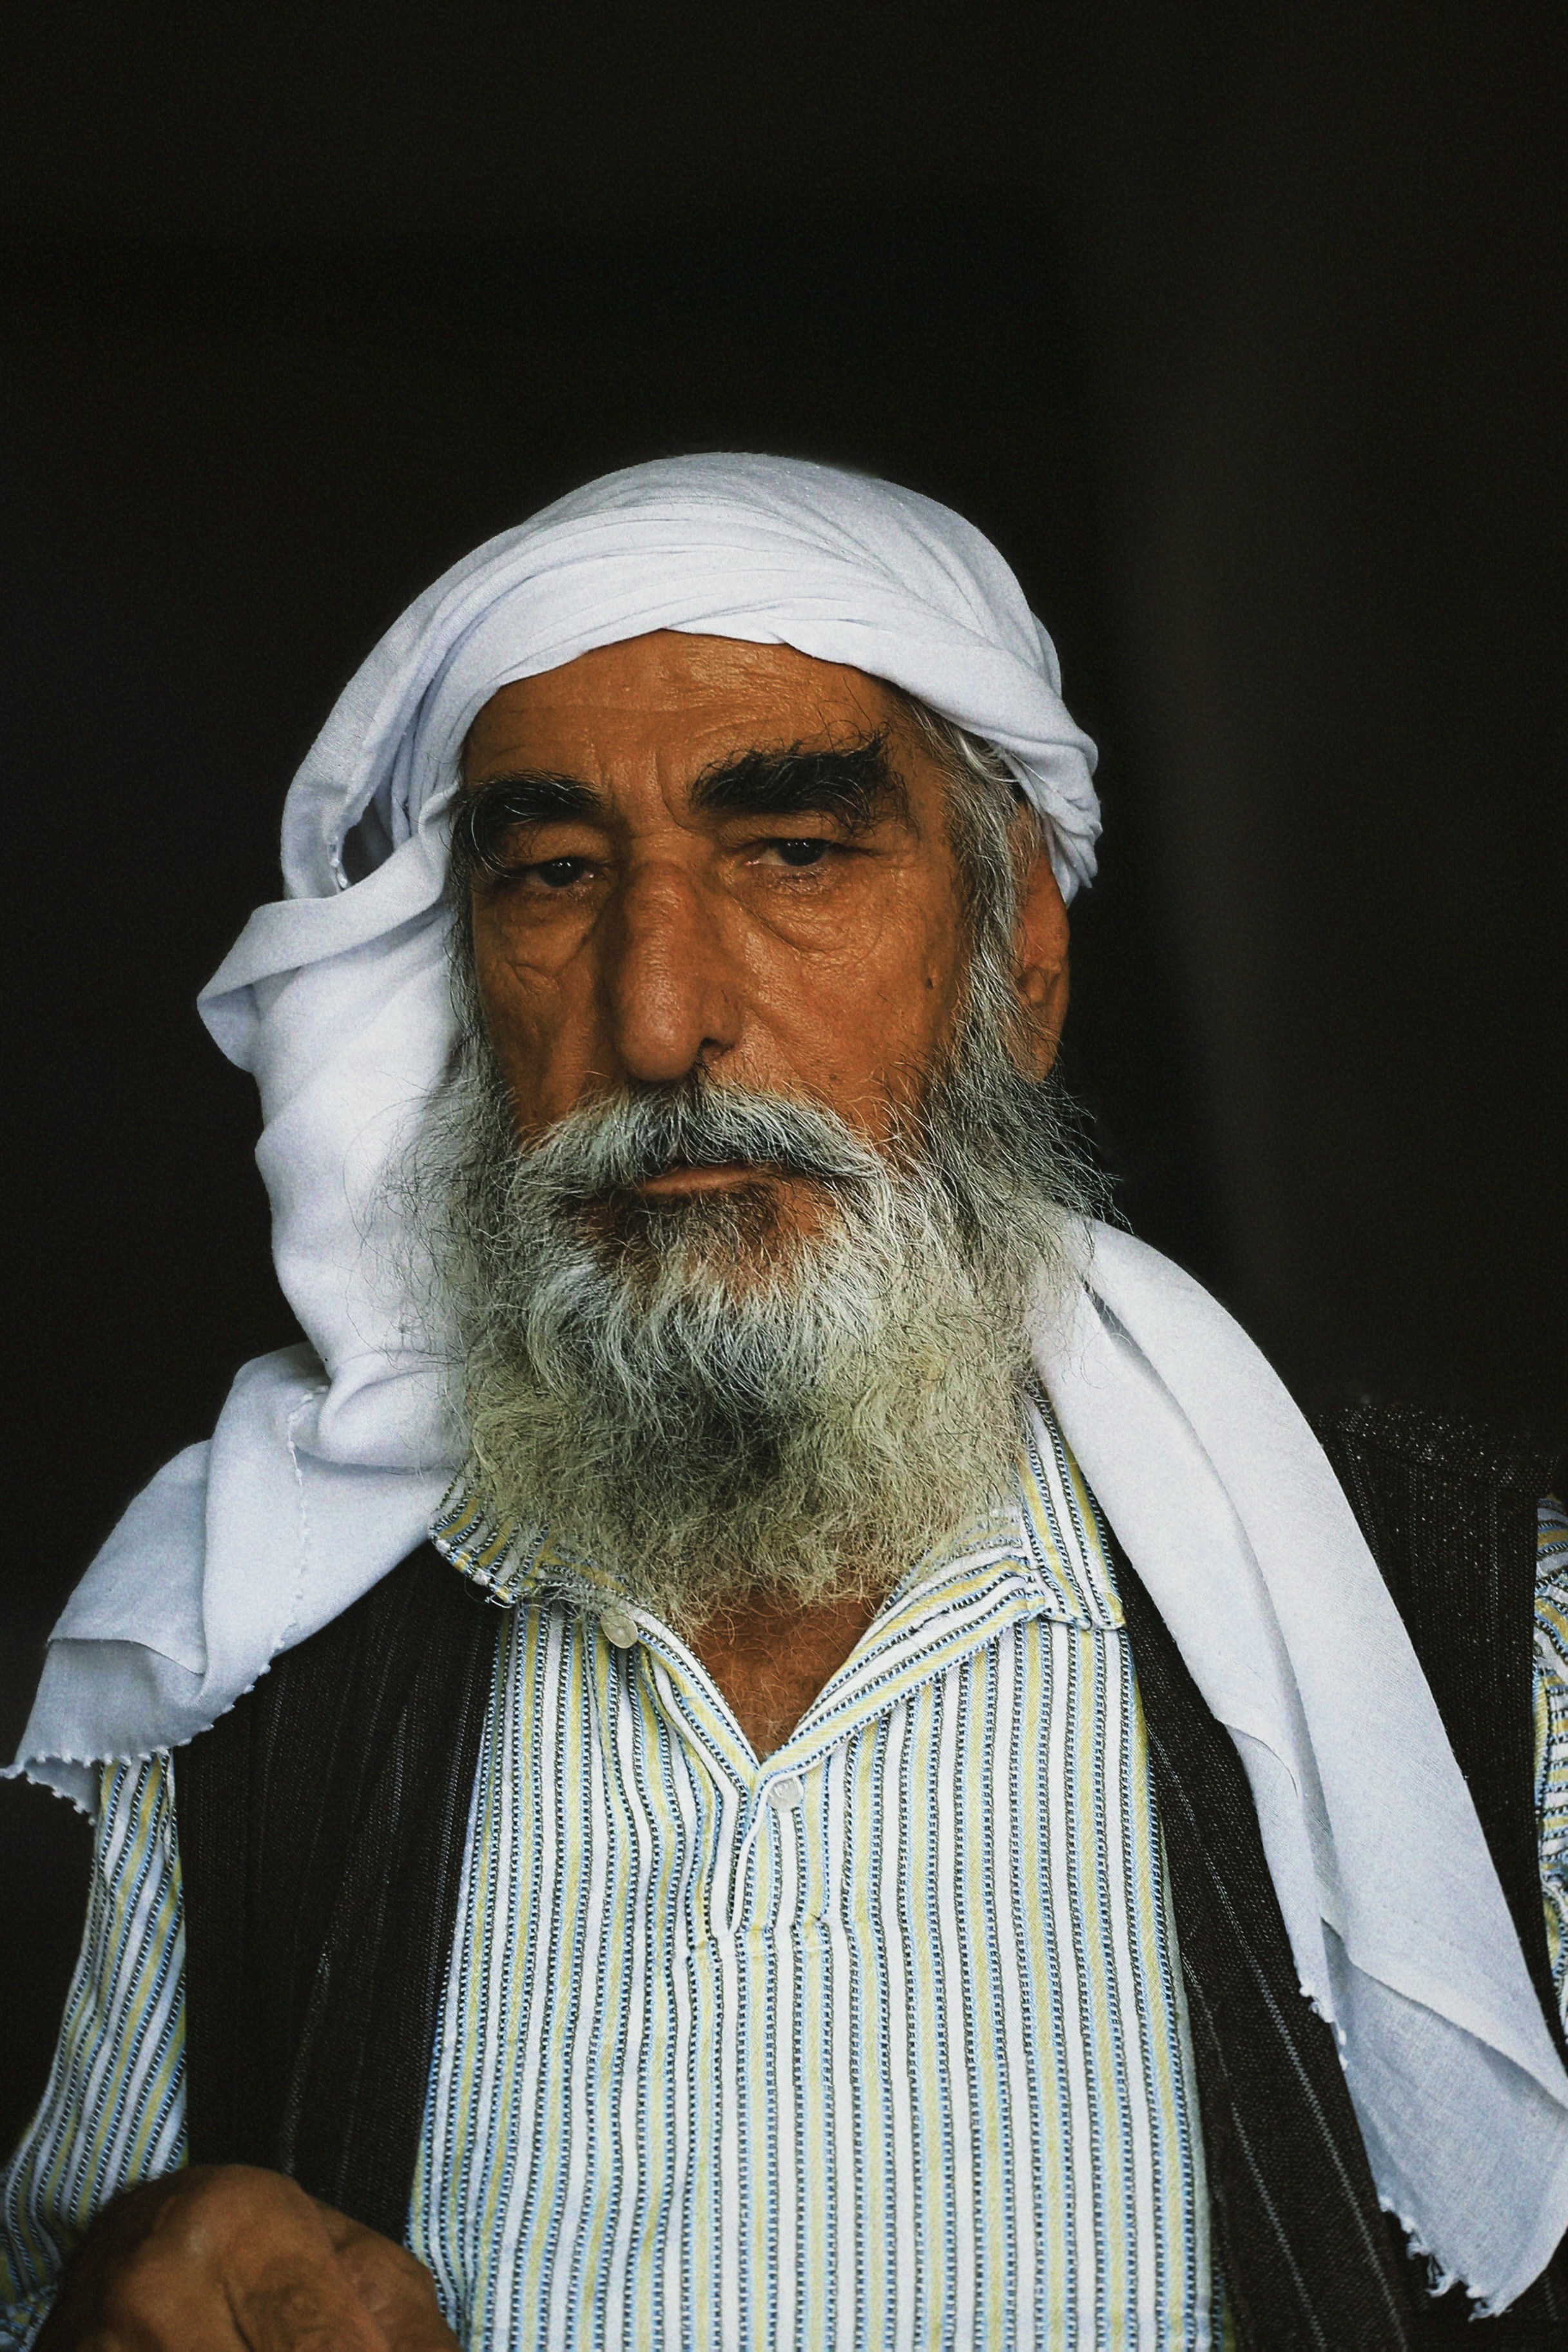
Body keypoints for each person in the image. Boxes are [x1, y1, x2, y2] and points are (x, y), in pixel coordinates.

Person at [3, 456, 1565, 2351]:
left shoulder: (1493, 1643)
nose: (658, 1018)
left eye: (795, 853)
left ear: (1022, 968)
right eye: (557, 878)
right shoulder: (234, 1665)